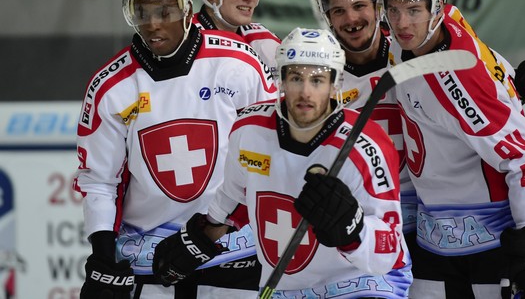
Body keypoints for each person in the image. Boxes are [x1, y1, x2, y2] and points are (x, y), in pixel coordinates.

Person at [310, 0, 525, 249]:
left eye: (360, 6)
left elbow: (478, 79)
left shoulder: (413, 46)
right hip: (371, 227)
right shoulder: (318, 78)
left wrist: (524, 81)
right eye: (338, 11)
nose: (352, 19)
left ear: (377, 5)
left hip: (427, 229)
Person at [152, 27, 413, 298]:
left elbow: (390, 251)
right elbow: (233, 196)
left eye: (317, 80)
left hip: (363, 281)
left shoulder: (367, 145)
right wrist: (200, 238)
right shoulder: (248, 130)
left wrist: (353, 231)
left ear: (335, 84)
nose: (305, 92)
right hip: (285, 288)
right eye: (296, 78)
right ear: (281, 81)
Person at [73, 0, 277, 298]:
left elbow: (267, 157)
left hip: (236, 249)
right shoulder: (110, 86)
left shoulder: (241, 65)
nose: (153, 24)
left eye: (164, 12)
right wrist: (103, 254)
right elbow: (99, 181)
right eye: (142, 13)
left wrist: (213, 230)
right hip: (151, 259)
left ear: (186, 9)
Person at [381, 0, 525, 299]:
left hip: (499, 245)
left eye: (414, 10)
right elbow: (486, 69)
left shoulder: (455, 82)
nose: (401, 22)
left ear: (436, 8)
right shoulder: (448, 23)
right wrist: (519, 83)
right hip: (441, 238)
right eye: (393, 9)